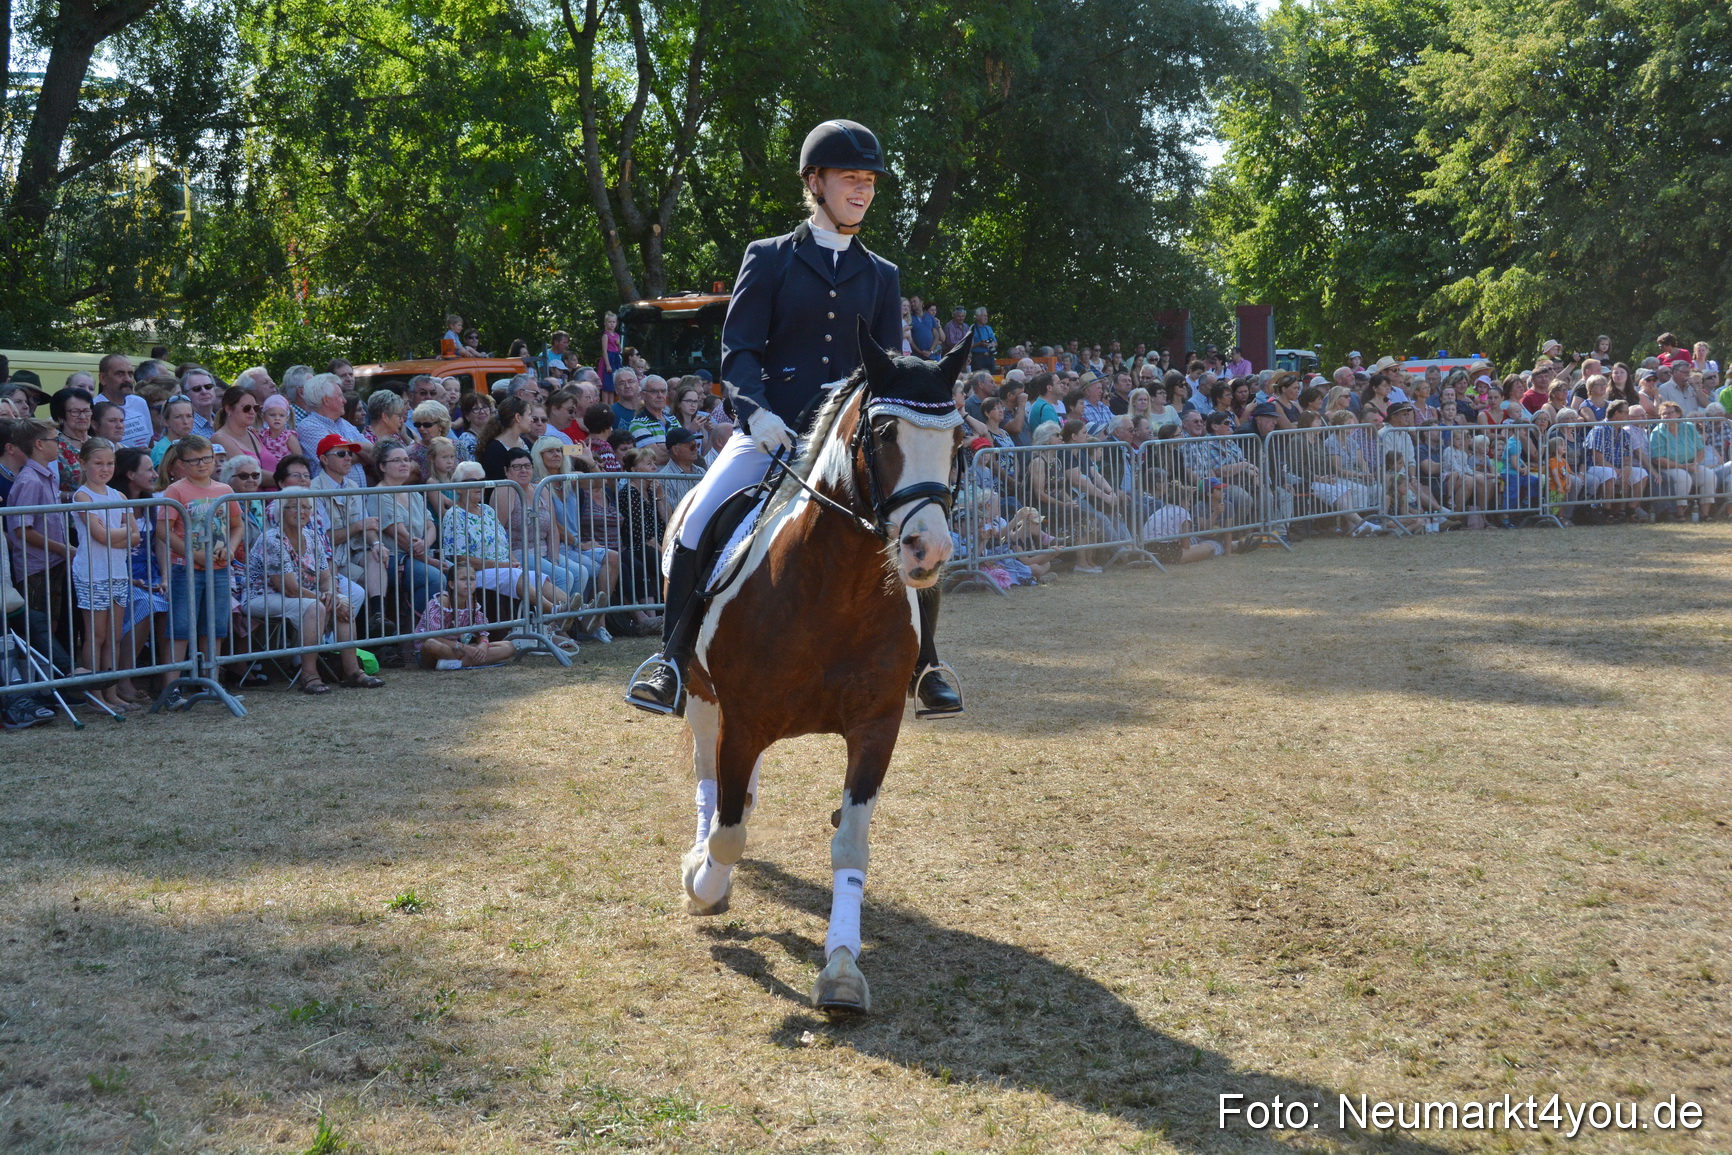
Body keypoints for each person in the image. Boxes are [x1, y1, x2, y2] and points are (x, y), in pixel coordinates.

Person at [626, 118, 962, 717]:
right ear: (815, 181)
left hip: (846, 443)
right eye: (849, 178)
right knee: (698, 522)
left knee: (915, 523)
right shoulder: (770, 258)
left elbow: (882, 369)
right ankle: (671, 662)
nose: (861, 190)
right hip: (771, 431)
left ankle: (928, 664)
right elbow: (741, 352)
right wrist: (755, 415)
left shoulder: (882, 274)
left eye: (869, 181)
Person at [241, 488, 383, 693]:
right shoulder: (272, 539)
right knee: (316, 607)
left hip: (301, 596)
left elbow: (325, 577)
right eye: (294, 507)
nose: (302, 511)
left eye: (306, 507)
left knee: (343, 601)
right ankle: (308, 675)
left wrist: (331, 594)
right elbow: (289, 589)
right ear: (281, 511)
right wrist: (324, 598)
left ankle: (352, 671)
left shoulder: (312, 536)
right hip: (262, 596)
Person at [157, 435, 242, 695]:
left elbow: (236, 525)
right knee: (181, 628)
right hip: (186, 569)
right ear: (182, 464)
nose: (201, 464)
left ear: (214, 458)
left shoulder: (224, 490)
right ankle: (172, 689)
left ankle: (211, 682)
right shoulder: (176, 490)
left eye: (206, 458)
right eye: (193, 461)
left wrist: (229, 548)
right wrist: (194, 555)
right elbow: (164, 530)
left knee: (215, 627)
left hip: (218, 568)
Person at [70, 438, 140, 709]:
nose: (104, 468)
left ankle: (111, 692)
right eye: (98, 463)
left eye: (109, 463)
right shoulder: (82, 496)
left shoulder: (118, 496)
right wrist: (118, 534)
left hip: (117, 572)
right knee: (96, 635)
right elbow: (99, 536)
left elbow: (135, 537)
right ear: (83, 464)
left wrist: (114, 534)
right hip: (93, 573)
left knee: (114, 635)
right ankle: (94, 695)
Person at [414, 564, 521, 669]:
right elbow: (430, 635)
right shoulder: (443, 600)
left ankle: (454, 663)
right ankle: (459, 662)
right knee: (431, 644)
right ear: (451, 584)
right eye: (463, 579)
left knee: (508, 647)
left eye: (472, 579)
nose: (468, 583)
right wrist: (463, 647)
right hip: (438, 650)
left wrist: (483, 644)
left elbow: (481, 630)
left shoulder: (472, 602)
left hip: (459, 651)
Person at [211, 385, 266, 465]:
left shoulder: (254, 434)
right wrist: (284, 476)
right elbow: (247, 469)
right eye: (246, 408)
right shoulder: (219, 439)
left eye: (255, 408)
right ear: (229, 409)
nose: (252, 412)